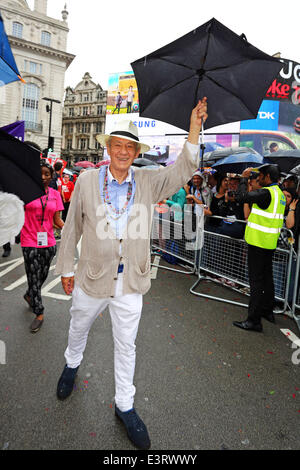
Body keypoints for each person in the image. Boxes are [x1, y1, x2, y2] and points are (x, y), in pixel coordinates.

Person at [54, 98, 208, 450]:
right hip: (91, 276)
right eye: (117, 145)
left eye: (129, 146)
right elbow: (71, 229)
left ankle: (125, 405)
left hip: (131, 281)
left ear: (136, 151)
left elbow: (184, 168)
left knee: (127, 345)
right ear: (108, 148)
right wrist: (65, 268)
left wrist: (194, 126)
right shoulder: (88, 181)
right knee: (78, 327)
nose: (123, 152)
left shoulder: (148, 181)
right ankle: (71, 364)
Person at [233, 163, 286, 332]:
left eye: (260, 176)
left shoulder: (266, 193)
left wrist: (243, 178)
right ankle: (267, 311)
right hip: (269, 243)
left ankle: (254, 321)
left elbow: (241, 197)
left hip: (258, 243)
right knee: (267, 278)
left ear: (268, 177)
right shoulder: (280, 194)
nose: (259, 178)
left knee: (256, 282)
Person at [21, 162, 64, 333]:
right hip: (29, 240)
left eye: (47, 174)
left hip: (49, 242)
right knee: (33, 276)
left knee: (42, 275)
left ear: (52, 176)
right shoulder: (25, 192)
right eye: (41, 174)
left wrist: (71, 230)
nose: (43, 177)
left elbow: (57, 220)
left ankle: (30, 294)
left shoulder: (55, 195)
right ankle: (39, 312)